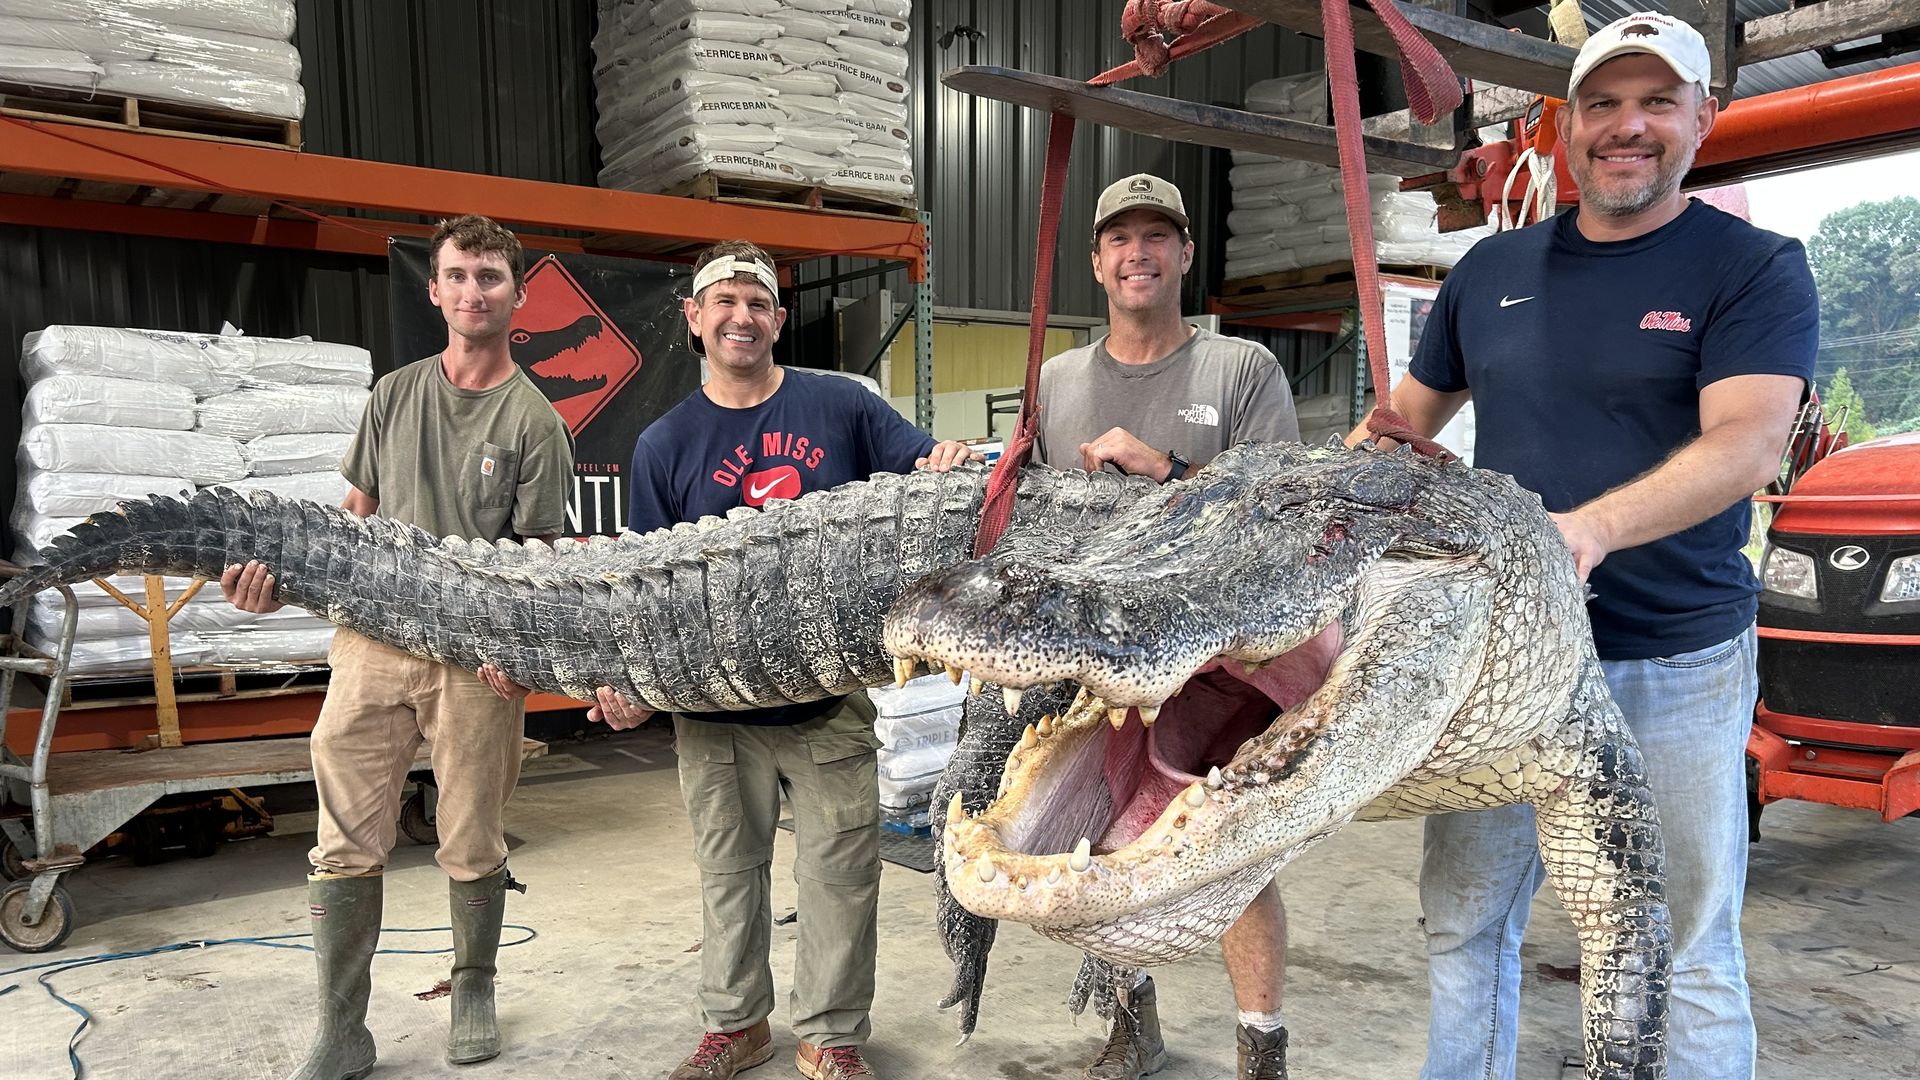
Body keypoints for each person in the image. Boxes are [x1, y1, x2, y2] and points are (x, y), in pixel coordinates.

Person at [1358, 14, 1816, 1080]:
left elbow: (1747, 445)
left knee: (1681, 940)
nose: (1628, 127)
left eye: (1658, 102)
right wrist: (1326, 490)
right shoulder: (1492, 270)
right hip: (1500, 665)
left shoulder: (1752, 267)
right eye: (1603, 105)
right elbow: (1401, 426)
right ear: (1566, 127)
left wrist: (1592, 527)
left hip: (1672, 658)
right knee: (1466, 920)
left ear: (1704, 117)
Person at [587, 239, 979, 1080]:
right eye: (724, 301)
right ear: (694, 318)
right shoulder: (663, 444)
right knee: (729, 874)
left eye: (758, 302)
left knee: (842, 873)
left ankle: (831, 1035)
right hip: (713, 714)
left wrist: (948, 460)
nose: (743, 316)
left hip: (828, 699)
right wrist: (632, 687)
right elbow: (643, 593)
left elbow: (928, 474)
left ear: (778, 317)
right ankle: (737, 1026)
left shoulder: (842, 406)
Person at [221, 214, 574, 1079]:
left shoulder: (535, 422)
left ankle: (474, 987)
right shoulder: (394, 395)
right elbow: (355, 522)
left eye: (490, 277)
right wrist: (281, 584)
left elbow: (538, 564)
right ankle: (341, 1026)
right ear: (435, 290)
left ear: (519, 295)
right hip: (372, 644)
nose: (473, 291)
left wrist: (515, 652)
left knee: (473, 834)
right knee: (342, 838)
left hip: (475, 659)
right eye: (458, 275)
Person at [1038, 173, 1302, 1080]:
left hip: (1219, 665)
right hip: (1104, 655)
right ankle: (1131, 1018)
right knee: (1106, 836)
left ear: (1185, 254)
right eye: (1120, 238)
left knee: (1236, 855)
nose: (1137, 253)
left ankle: (1261, 1044)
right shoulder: (1057, 380)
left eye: (1157, 236)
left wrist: (1170, 471)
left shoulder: (1241, 370)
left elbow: (1282, 514)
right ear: (1096, 262)